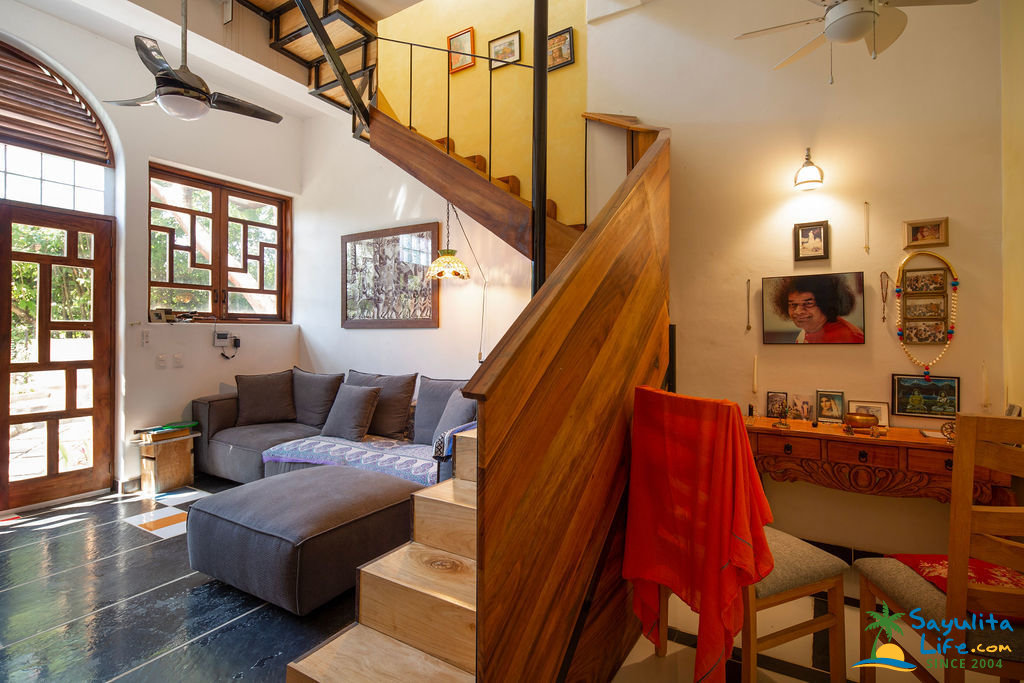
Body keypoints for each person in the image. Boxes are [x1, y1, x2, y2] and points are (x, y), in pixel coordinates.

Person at [771, 275, 865, 343]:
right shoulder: (805, 333)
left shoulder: (850, 337)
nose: (798, 311)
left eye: (808, 304)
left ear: (826, 304)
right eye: (793, 305)